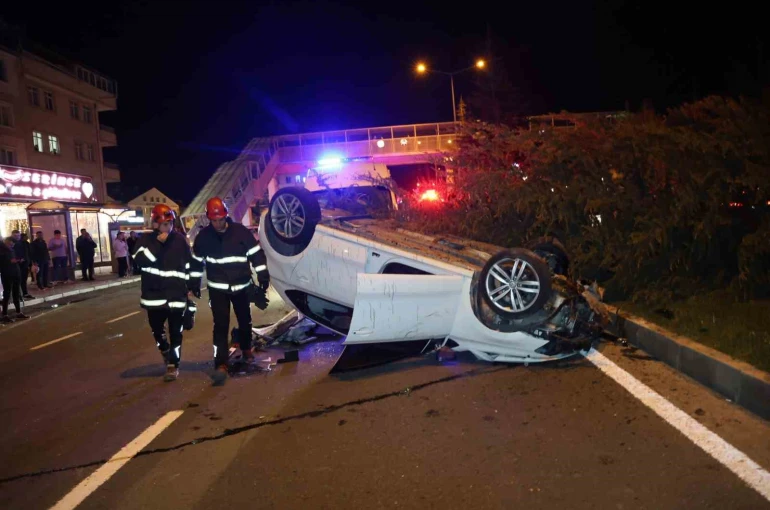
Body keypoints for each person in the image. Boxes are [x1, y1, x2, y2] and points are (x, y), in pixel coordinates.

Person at [189, 197, 270, 385]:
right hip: (218, 290)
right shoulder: (204, 238)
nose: (217, 223)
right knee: (220, 325)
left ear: (226, 215)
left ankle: (247, 349)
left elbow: (256, 255)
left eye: (220, 219)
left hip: (241, 287)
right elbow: (195, 263)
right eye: (214, 220)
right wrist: (193, 282)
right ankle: (221, 364)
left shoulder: (241, 233)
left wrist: (263, 277)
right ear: (209, 219)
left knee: (244, 320)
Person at [132, 204, 195, 381]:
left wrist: (190, 286)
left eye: (170, 223)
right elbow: (140, 262)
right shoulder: (146, 241)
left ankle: (173, 365)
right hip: (154, 296)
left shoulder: (180, 240)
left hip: (176, 294)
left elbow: (188, 263)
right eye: (165, 224)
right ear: (156, 224)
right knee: (157, 330)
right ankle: (164, 348)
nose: (168, 227)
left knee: (177, 331)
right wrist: (158, 244)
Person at [1, 237, 30, 322]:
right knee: (7, 293)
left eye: (13, 243)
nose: (12, 244)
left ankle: (18, 312)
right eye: (11, 243)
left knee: (16, 293)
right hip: (7, 274)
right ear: (7, 242)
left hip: (16, 273)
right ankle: (5, 314)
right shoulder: (2, 251)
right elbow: (5, 262)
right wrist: (12, 261)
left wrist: (18, 260)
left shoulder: (12, 250)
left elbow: (14, 260)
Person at [11, 230, 34, 300]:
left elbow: (27, 253)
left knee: (23, 280)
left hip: (24, 264)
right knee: (17, 281)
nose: (17, 237)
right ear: (12, 236)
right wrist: (19, 259)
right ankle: (17, 295)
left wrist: (29, 262)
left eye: (18, 235)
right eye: (15, 236)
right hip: (16, 265)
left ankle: (24, 293)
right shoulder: (11, 243)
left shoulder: (23, 243)